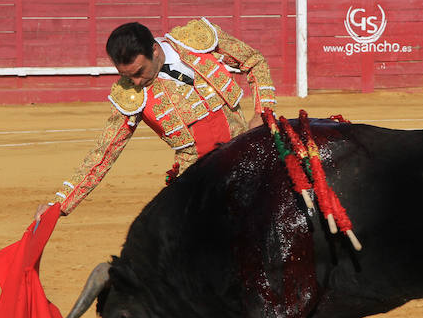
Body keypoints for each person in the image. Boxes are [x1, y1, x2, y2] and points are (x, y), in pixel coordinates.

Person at [35, 19, 278, 220]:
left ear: (154, 49)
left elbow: (254, 61)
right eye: (127, 76)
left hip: (248, 159)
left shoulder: (196, 40)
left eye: (139, 72)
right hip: (197, 185)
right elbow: (103, 153)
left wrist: (262, 111)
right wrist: (59, 204)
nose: (137, 82)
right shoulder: (129, 96)